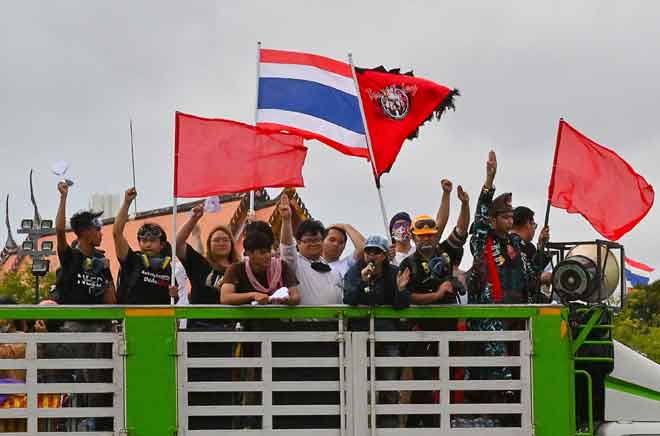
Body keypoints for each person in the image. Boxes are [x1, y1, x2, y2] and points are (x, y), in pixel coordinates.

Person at [343, 235, 411, 428]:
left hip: (388, 336)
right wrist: (363, 282)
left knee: (389, 384)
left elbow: (402, 305)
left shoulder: (394, 273)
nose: (371, 255)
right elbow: (348, 298)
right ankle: (360, 426)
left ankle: (388, 427)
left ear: (384, 256)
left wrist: (400, 290)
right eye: (368, 251)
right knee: (359, 386)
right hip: (359, 336)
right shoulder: (355, 271)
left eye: (376, 252)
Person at [467, 151, 540, 305]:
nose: (510, 221)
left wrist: (541, 248)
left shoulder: (515, 242)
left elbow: (532, 273)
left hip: (518, 314)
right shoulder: (482, 239)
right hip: (489, 317)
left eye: (511, 217)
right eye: (505, 217)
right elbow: (481, 213)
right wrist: (489, 180)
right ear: (493, 220)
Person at [54, 182, 116, 305]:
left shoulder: (101, 261)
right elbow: (60, 231)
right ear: (85, 232)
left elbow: (111, 302)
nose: (101, 234)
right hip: (74, 322)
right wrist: (63, 197)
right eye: (97, 229)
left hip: (99, 322)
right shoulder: (70, 257)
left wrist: (107, 277)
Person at [113, 188, 177, 305]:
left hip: (160, 320)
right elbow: (117, 233)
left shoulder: (167, 268)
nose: (147, 244)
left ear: (162, 244)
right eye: (144, 240)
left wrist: (174, 295)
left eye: (152, 240)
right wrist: (127, 202)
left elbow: (173, 299)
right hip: (132, 319)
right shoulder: (132, 260)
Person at [278, 194, 343, 305]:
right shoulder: (295, 264)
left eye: (317, 240)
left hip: (334, 321)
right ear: (298, 243)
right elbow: (287, 247)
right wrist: (286, 219)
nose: (313, 244)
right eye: (308, 240)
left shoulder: (333, 270)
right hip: (305, 322)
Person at [220, 220, 300, 306]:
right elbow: (225, 298)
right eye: (262, 252)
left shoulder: (281, 266)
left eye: (268, 251)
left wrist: (286, 299)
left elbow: (295, 297)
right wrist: (252, 295)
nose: (268, 256)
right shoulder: (235, 269)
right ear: (248, 253)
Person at [389, 179, 455, 267]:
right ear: (391, 231)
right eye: (398, 226)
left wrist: (446, 194)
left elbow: (440, 224)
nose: (402, 229)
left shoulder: (421, 248)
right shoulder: (386, 257)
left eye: (405, 225)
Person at [511, 206, 552, 293]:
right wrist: (540, 279)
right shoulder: (509, 246)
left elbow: (533, 269)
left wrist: (541, 246)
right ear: (527, 224)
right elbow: (516, 281)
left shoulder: (529, 247)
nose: (534, 229)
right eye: (534, 225)